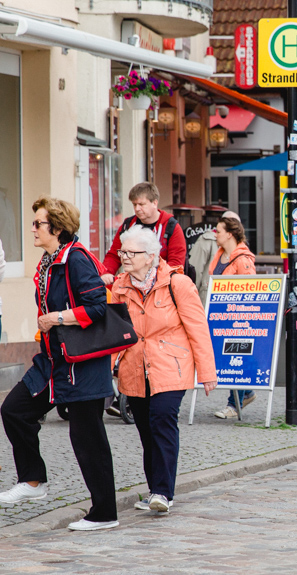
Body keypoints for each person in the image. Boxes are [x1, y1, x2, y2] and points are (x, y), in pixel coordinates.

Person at [0, 197, 117, 530]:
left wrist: (57, 317)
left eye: (38, 223)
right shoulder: (48, 261)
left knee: (88, 439)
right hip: (52, 362)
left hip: (82, 364)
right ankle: (33, 482)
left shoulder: (77, 260)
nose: (33, 229)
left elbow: (97, 308)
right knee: (14, 410)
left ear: (57, 227)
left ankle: (105, 513)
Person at [110, 226, 218, 514]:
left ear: (150, 256)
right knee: (146, 430)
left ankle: (162, 492)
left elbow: (198, 328)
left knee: (162, 420)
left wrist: (207, 371)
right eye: (123, 252)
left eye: (131, 253)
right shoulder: (119, 287)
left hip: (171, 365)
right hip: (135, 368)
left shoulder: (178, 283)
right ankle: (154, 489)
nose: (125, 257)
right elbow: (113, 332)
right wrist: (110, 367)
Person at [210, 217, 258, 420]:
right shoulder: (220, 256)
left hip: (238, 319)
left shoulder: (243, 260)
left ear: (230, 233)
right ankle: (245, 394)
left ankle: (234, 404)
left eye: (218, 230)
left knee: (236, 358)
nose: (215, 233)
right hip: (221, 317)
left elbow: (251, 291)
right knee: (228, 358)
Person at [101, 182, 188, 285]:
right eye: (134, 204)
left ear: (154, 203)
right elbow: (114, 255)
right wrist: (106, 273)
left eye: (141, 204)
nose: (137, 209)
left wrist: (157, 282)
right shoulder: (128, 225)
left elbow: (176, 264)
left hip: (162, 286)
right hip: (131, 285)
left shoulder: (171, 227)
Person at [188, 210, 241, 299]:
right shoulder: (207, 240)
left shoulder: (242, 250)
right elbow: (194, 271)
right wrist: (190, 298)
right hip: (205, 298)